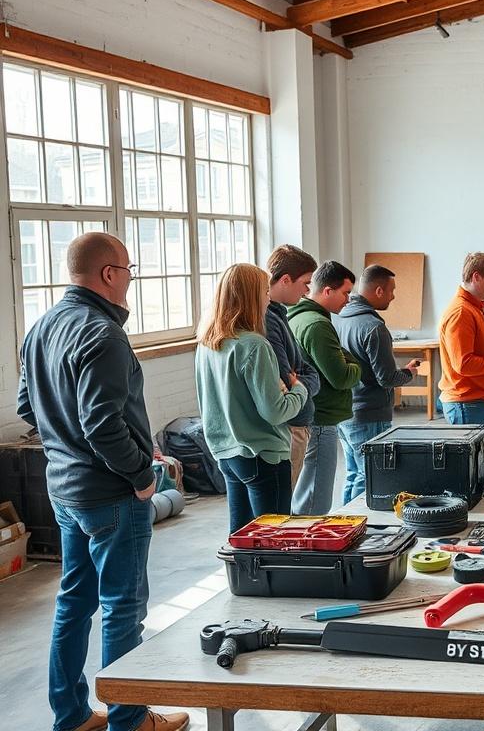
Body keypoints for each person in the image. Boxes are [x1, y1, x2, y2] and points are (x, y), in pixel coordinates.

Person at [17, 232, 189, 731]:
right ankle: (129, 719)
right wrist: (140, 473)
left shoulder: (43, 325)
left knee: (74, 602)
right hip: (111, 494)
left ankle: (70, 715)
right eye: (130, 270)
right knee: (122, 608)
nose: (131, 280)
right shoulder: (103, 333)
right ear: (109, 274)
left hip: (65, 489)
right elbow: (100, 424)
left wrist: (84, 444)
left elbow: (30, 407)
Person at [195, 263, 308, 535]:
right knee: (275, 538)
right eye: (264, 291)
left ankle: (240, 580)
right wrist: (298, 390)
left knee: (241, 535)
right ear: (251, 296)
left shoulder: (207, 343)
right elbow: (275, 411)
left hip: (226, 452)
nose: (269, 297)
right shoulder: (254, 345)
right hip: (263, 455)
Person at [336, 265, 420, 504]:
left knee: (353, 474)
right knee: (370, 477)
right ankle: (361, 527)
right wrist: (409, 372)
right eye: (392, 291)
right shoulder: (374, 327)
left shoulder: (340, 319)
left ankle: (345, 525)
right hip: (369, 415)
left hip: (346, 411)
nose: (393, 296)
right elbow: (386, 378)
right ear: (379, 290)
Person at [288, 261, 361, 514]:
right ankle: (308, 550)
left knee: (306, 491)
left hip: (312, 414)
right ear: (327, 291)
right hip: (321, 418)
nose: (349, 299)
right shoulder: (317, 325)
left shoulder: (301, 317)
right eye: (345, 293)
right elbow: (342, 376)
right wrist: (355, 365)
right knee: (315, 500)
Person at [264, 245, 321, 490]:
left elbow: (305, 372)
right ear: (285, 280)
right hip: (289, 425)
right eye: (305, 283)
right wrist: (302, 380)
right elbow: (287, 381)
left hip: (296, 420)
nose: (308, 290)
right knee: (279, 510)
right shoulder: (268, 319)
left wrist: (303, 379)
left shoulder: (280, 314)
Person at [438, 252, 484, 424]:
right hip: (468, 404)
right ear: (476, 277)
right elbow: (463, 364)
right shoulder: (462, 313)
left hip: (477, 402)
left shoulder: (476, 308)